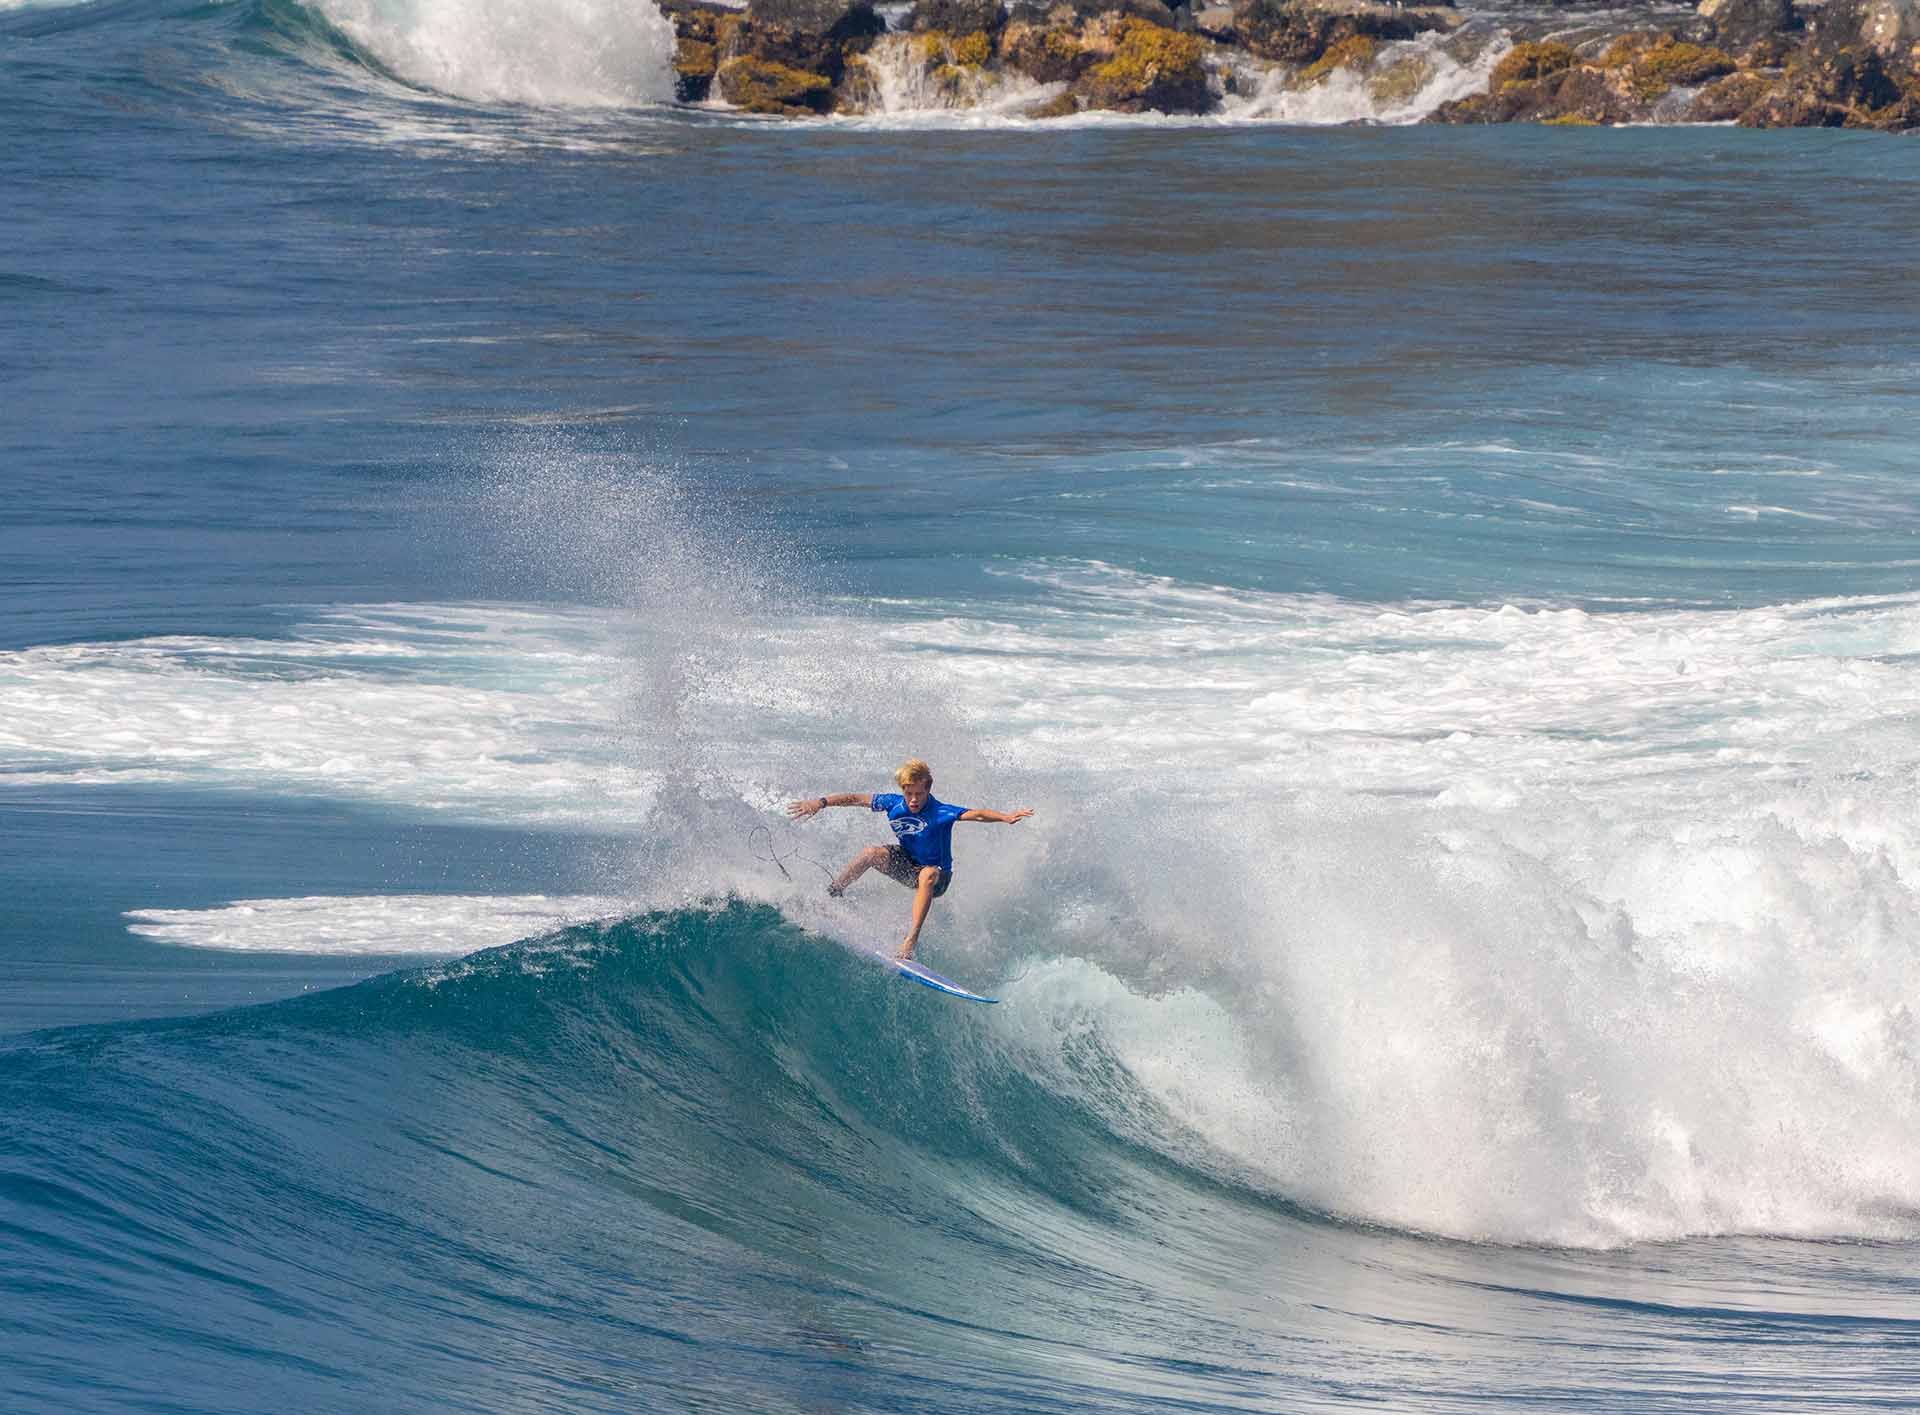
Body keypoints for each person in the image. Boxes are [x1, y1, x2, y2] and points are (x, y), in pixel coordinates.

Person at [787, 758, 1033, 960]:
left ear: (928, 789)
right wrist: (820, 803)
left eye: (918, 793)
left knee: (928, 873)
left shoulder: (940, 812)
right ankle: (831, 894)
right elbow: (854, 798)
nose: (913, 799)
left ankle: (910, 941)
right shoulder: (892, 803)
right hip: (907, 865)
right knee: (870, 853)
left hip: (937, 877)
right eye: (908, 793)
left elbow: (977, 814)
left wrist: (1005, 817)